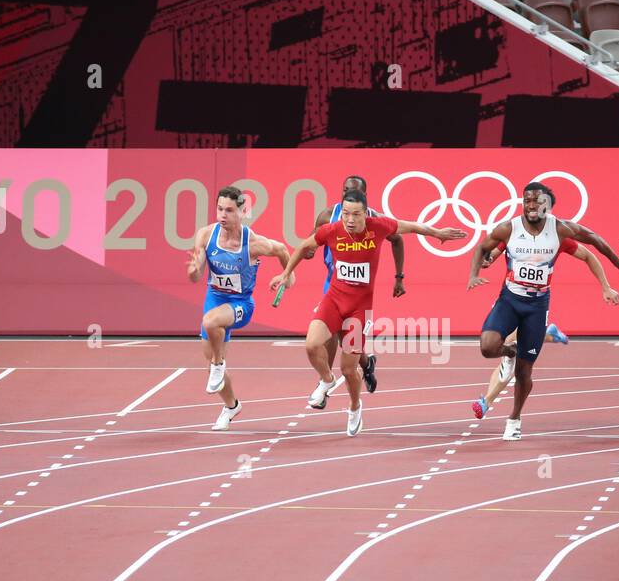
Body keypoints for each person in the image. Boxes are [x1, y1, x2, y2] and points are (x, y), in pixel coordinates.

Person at [269, 189, 465, 436]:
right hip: (333, 299)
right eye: (347, 214)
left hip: (359, 308)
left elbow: (411, 227)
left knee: (349, 368)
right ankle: (327, 380)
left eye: (356, 214)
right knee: (311, 346)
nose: (350, 220)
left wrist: (438, 233)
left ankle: (354, 407)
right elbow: (303, 247)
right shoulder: (332, 229)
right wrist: (285, 274)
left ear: (366, 213)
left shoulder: (378, 226)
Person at [467, 182, 619, 440]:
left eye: (537, 201)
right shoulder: (509, 228)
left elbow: (592, 245)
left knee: (524, 372)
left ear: (548, 206)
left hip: (537, 306)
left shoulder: (560, 231)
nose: (531, 205)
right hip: (509, 299)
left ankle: (514, 418)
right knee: (487, 346)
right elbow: (487, 248)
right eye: (527, 200)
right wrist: (476, 271)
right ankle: (510, 352)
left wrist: (613, 274)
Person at [188, 186, 293, 430]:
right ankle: (231, 406)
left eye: (229, 210)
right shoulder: (205, 235)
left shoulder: (253, 244)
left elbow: (282, 250)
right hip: (214, 299)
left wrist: (288, 275)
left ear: (242, 212)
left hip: (240, 304)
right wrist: (194, 270)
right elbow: (196, 272)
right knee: (211, 353)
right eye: (219, 209)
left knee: (210, 324)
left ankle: (218, 364)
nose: (223, 215)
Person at [312, 175, 404, 394]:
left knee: (347, 336)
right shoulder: (328, 215)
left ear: (365, 196)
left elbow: (398, 239)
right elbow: (312, 240)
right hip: (333, 283)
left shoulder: (375, 220)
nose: (346, 194)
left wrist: (399, 276)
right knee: (334, 332)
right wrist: (308, 250)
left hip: (360, 290)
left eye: (352, 191)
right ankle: (326, 381)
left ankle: (358, 367)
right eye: (344, 190)